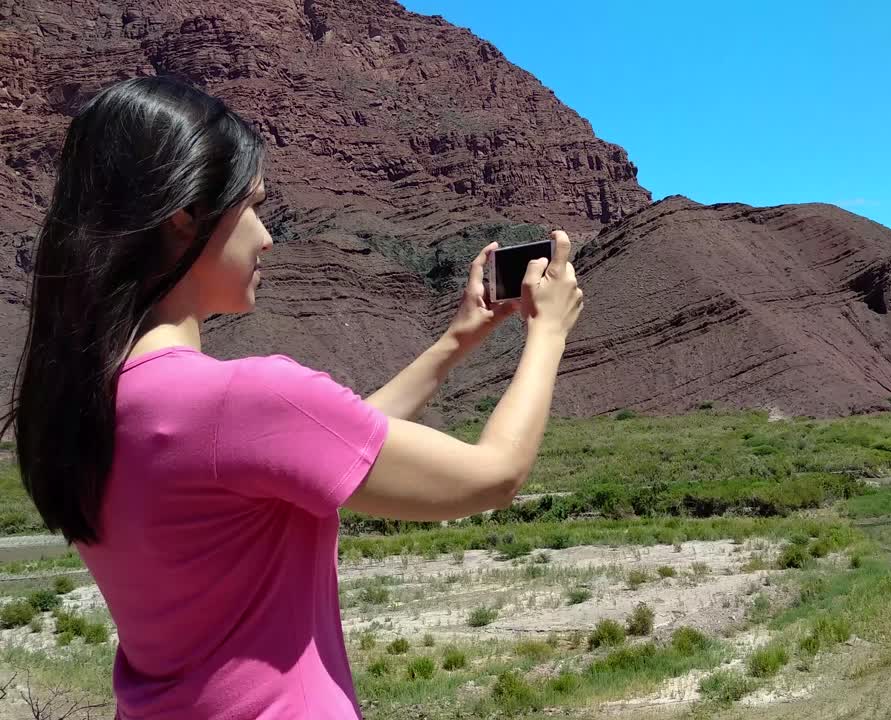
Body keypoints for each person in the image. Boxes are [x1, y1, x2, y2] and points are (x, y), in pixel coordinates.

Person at [0, 76, 583, 719]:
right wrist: (547, 332)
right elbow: (493, 477)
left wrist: (453, 344)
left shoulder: (88, 406)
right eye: (251, 207)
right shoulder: (241, 400)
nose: (268, 236)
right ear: (182, 215)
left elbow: (332, 446)